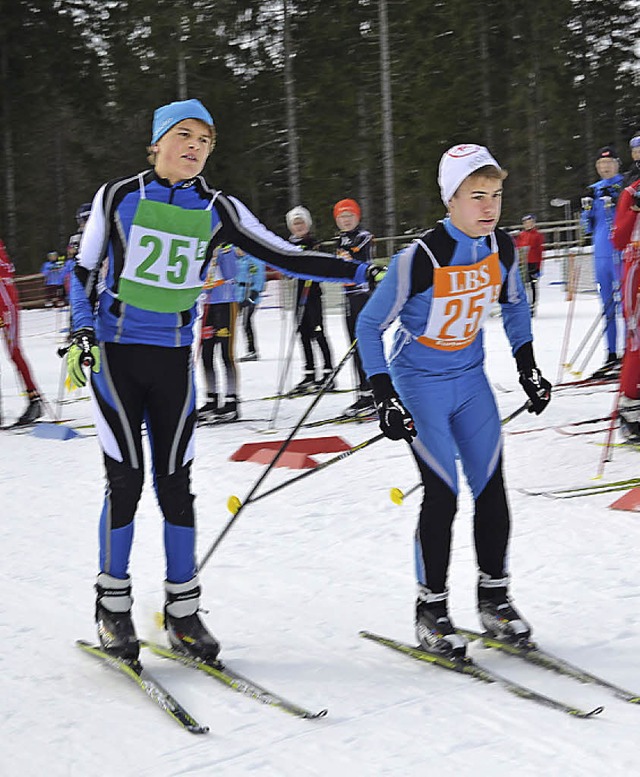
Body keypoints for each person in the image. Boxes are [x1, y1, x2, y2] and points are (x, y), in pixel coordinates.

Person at [68, 97, 372, 663]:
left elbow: (286, 254)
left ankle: (182, 611)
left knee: (175, 483)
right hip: (116, 355)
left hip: (172, 359)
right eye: (184, 136)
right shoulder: (118, 197)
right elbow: (83, 269)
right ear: (156, 142)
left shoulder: (218, 208)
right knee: (126, 480)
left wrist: (360, 269)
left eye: (205, 141)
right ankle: (112, 606)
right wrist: (82, 327)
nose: (194, 148)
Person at [356, 143, 551, 658]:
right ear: (451, 200)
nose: (489, 207)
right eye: (477, 196)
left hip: (470, 382)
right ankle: (431, 608)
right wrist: (384, 394)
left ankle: (494, 599)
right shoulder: (419, 258)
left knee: (492, 488)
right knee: (442, 494)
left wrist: (527, 366)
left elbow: (514, 306)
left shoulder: (501, 248)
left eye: (497, 195)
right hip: (419, 384)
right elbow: (370, 323)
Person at [580, 146, 625, 377]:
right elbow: (586, 228)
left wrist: (615, 203)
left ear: (616, 164)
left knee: (627, 306)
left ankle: (630, 352)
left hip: (620, 253)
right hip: (601, 255)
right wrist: (586, 212)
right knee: (606, 306)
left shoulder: (624, 186)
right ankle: (611, 354)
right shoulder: (594, 190)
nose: (604, 168)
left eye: (608, 164)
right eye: (600, 165)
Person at [286, 206, 335, 393]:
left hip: (313, 294)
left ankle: (328, 372)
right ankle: (309, 372)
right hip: (298, 296)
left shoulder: (314, 244)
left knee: (318, 332)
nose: (298, 226)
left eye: (301, 223)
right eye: (295, 223)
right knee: (303, 333)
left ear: (307, 224)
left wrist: (311, 271)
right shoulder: (289, 246)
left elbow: (322, 267)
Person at [333, 198, 375, 415]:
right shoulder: (340, 240)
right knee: (353, 345)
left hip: (362, 295)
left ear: (357, 217)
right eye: (342, 217)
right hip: (348, 295)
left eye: (349, 216)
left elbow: (359, 259)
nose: (346, 220)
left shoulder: (363, 236)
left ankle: (373, 393)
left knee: (363, 345)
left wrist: (347, 258)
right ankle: (362, 393)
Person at [0, 239, 43, 426]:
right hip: (4, 299)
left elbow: (6, 272)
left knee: (14, 352)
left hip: (5, 302)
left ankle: (35, 400)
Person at [612, 171, 640, 442]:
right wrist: (634, 211)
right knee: (636, 340)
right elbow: (618, 239)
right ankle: (630, 406)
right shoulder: (631, 192)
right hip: (637, 268)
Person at [198, 243, 240, 423]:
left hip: (225, 302)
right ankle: (211, 398)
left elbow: (231, 273)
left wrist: (221, 255)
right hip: (207, 304)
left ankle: (231, 400)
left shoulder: (226, 248)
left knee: (225, 354)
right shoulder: (201, 246)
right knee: (206, 355)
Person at [236, 248, 266, 362]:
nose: (239, 251)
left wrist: (253, 294)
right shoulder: (237, 260)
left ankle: (252, 350)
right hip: (237, 294)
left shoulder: (253, 259)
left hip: (249, 294)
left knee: (246, 322)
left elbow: (259, 277)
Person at [515, 214, 545, 316]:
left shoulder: (537, 235)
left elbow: (540, 251)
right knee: (523, 285)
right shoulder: (521, 235)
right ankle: (523, 305)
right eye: (526, 223)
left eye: (530, 223)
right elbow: (518, 247)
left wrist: (539, 267)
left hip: (533, 263)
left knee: (532, 284)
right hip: (523, 263)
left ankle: (532, 306)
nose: (528, 225)